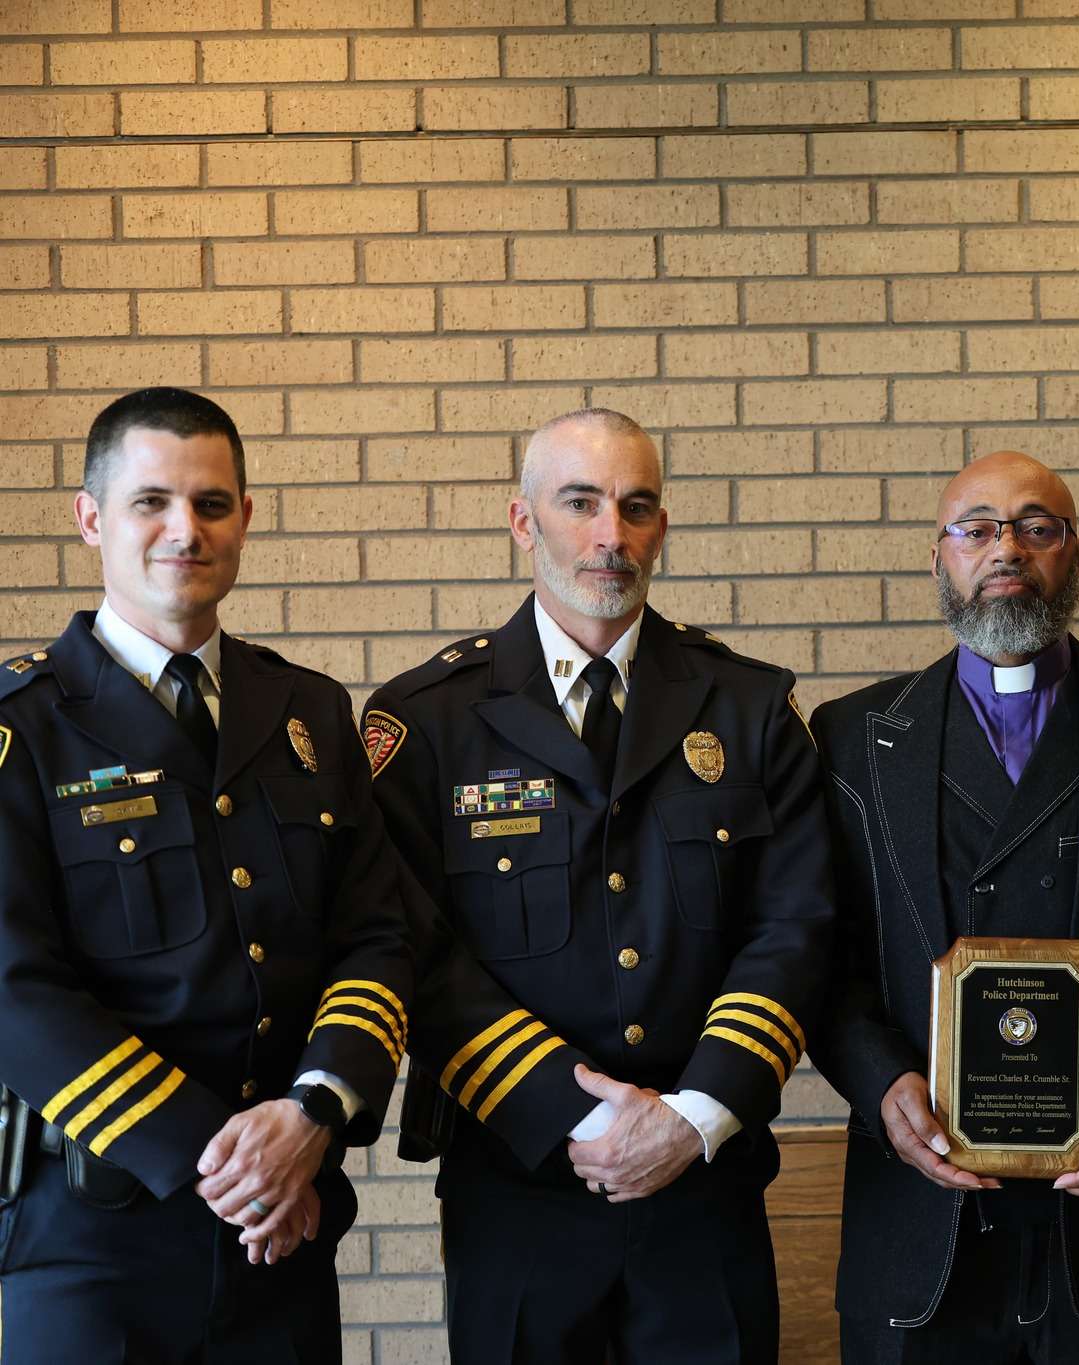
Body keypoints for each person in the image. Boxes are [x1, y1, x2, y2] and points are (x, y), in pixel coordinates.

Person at [363, 407, 832, 1364]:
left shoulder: (748, 708)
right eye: (580, 503)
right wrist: (583, 1116)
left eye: (636, 506)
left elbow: (798, 926)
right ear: (523, 521)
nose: (611, 535)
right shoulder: (428, 722)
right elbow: (418, 950)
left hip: (705, 1180)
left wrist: (691, 1117)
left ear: (662, 526)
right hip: (520, 1183)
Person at [809, 451, 1079, 1364]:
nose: (1004, 547)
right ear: (938, 559)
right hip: (919, 1216)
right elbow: (820, 953)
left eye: (1035, 526)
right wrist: (881, 1086)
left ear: (1075, 553)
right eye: (975, 527)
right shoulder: (851, 741)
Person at [0, 387, 413, 1361]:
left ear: (245, 520)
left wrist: (313, 1113)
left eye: (212, 503)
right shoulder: (25, 726)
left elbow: (377, 938)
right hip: (95, 1246)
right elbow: (13, 987)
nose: (184, 530)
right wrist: (230, 1164)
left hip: (286, 1239)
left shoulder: (308, 713)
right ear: (92, 517)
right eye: (151, 501)